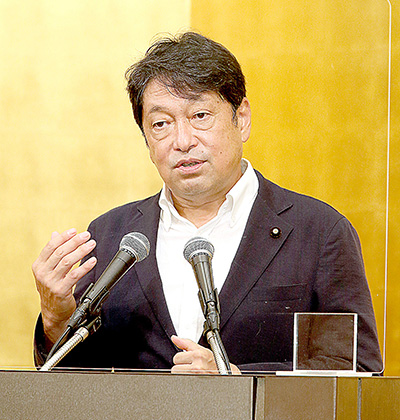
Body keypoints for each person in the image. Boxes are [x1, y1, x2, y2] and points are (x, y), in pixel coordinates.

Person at [33, 31, 383, 373]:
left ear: (241, 119)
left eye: (200, 116)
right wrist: (56, 318)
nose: (183, 141)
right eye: (161, 123)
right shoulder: (113, 237)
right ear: (146, 140)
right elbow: (81, 379)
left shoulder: (319, 232)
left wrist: (234, 377)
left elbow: (353, 368)